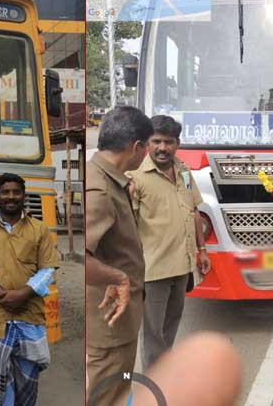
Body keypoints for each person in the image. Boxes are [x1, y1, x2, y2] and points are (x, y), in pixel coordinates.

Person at [0, 173, 59, 406]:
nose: (11, 197)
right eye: (5, 192)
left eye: (16, 192)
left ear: (23, 196)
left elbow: (48, 268)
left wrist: (23, 294)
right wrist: (0, 294)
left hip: (29, 318)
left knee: (26, 383)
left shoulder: (40, 229)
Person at [128, 115, 211, 371]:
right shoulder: (135, 178)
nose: (162, 147)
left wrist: (202, 249)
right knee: (154, 334)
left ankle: (164, 375)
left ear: (177, 143)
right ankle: (153, 386)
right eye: (156, 141)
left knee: (171, 325)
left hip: (183, 264)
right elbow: (127, 225)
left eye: (168, 142)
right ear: (146, 143)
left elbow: (193, 210)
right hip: (153, 269)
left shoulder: (183, 170)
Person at [86, 106, 153, 405]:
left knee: (118, 390)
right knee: (107, 395)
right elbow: (80, 260)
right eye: (148, 146)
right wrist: (119, 278)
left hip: (119, 319)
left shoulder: (108, 177)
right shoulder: (99, 190)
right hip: (111, 320)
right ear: (136, 147)